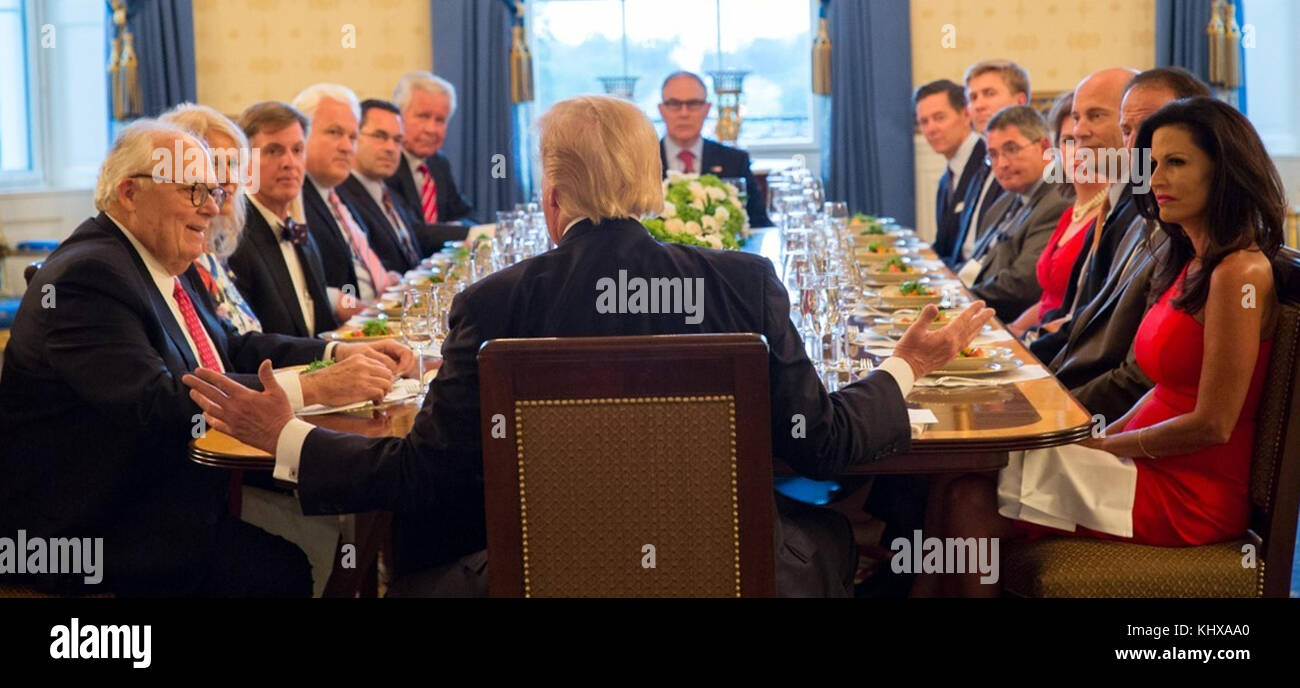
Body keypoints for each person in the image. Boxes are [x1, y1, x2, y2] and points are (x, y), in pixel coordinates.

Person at [185, 95, 994, 598]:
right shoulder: (742, 284)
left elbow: (423, 475)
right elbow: (819, 442)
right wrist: (907, 365)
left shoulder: (495, 302)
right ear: (653, 185)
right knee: (833, 528)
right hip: (739, 572)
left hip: (523, 575)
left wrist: (286, 435)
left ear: (552, 193)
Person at [0, 121, 413, 596]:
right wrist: (315, 388)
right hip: (87, 526)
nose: (213, 207)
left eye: (213, 191)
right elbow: (157, 402)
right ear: (130, 192)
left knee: (337, 514)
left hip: (165, 487)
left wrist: (339, 352)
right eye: (193, 191)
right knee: (283, 566)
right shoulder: (88, 277)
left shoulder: (158, 256)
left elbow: (231, 348)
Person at [922, 97, 1286, 597]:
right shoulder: (1190, 261)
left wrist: (1108, 445)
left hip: (1189, 491)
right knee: (959, 474)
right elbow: (1159, 387)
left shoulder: (1239, 272)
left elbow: (1213, 424)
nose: (1156, 179)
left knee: (969, 490)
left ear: (1224, 170)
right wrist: (1099, 434)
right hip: (1144, 458)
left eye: (1176, 163)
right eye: (1152, 164)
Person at [1037, 67, 1212, 421]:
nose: (1136, 145)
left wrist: (1057, 413)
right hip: (1096, 406)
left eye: (1148, 130)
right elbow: (1082, 327)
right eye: (1128, 131)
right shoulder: (1144, 220)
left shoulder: (1203, 245)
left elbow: (1154, 384)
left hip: (1126, 428)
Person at [227, 101, 342, 338]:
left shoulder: (301, 232)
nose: (289, 163)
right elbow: (250, 344)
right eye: (274, 151)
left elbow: (322, 328)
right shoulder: (236, 239)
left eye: (297, 150)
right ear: (245, 161)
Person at [1006, 93, 1108, 337]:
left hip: (1065, 344)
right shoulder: (1071, 213)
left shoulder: (1109, 215)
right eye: (1068, 141)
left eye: (1083, 141)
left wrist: (1027, 337)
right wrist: (1013, 330)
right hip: (1037, 335)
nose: (1078, 151)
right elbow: (1048, 299)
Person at [293, 83, 402, 309]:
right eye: (334, 132)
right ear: (301, 133)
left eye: (352, 137)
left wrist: (386, 279)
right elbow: (298, 284)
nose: (346, 147)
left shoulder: (337, 195)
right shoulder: (292, 197)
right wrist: (347, 304)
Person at [959, 105, 1070, 322]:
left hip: (1007, 319)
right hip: (980, 305)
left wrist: (956, 299)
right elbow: (977, 260)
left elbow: (1023, 284)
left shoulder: (1059, 199)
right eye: (993, 155)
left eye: (1011, 149)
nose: (1002, 164)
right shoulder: (1011, 195)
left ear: (1044, 147)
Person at [159, 103, 263, 335]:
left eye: (232, 163)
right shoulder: (177, 261)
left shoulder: (211, 256)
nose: (229, 177)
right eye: (214, 163)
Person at [657, 71, 771, 227]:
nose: (684, 113)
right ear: (662, 110)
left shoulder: (734, 161)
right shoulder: (641, 161)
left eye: (693, 104)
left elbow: (759, 223)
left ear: (707, 109)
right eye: (674, 104)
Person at [951, 59, 1032, 261]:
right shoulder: (981, 161)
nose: (978, 105)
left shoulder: (1031, 164)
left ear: (1020, 101)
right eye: (973, 97)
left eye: (989, 94)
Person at [337, 99, 427, 275]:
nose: (391, 148)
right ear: (355, 137)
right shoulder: (340, 196)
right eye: (380, 136)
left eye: (397, 140)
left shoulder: (390, 192)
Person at [387, 71, 474, 230]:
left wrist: (470, 229)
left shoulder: (438, 163)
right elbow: (414, 231)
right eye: (423, 116)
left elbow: (464, 214)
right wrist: (466, 232)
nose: (431, 129)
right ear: (398, 117)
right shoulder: (388, 162)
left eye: (440, 120)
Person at [913, 79, 981, 269]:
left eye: (939, 117)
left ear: (966, 115)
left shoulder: (989, 162)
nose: (931, 129)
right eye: (924, 122)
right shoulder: (947, 178)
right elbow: (945, 245)